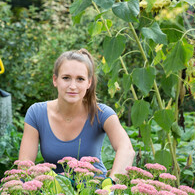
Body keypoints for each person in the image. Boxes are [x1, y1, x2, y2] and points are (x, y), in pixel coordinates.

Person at [18, 48, 135, 181]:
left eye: (80, 79)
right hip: (52, 189)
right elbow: (24, 167)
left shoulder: (102, 114)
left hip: (93, 190)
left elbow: (126, 150)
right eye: (66, 78)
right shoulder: (36, 113)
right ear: (55, 80)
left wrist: (111, 186)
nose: (73, 86)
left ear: (89, 83)